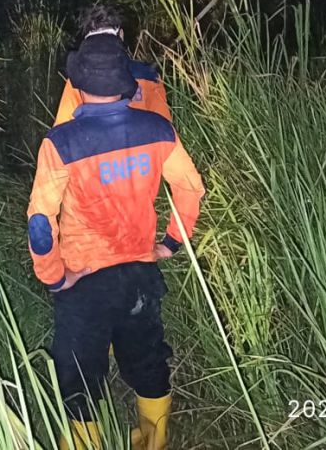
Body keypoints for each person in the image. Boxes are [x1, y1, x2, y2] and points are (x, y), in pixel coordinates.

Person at [27, 33, 205, 450]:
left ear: (79, 86)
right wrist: (171, 244)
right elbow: (191, 189)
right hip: (140, 274)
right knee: (147, 359)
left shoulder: (61, 142)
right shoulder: (158, 128)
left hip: (84, 280)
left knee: (79, 370)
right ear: (127, 84)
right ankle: (153, 440)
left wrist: (54, 277)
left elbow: (40, 221)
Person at [53, 5, 172, 126]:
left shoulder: (78, 80)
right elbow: (164, 127)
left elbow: (63, 128)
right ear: (121, 35)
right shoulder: (149, 77)